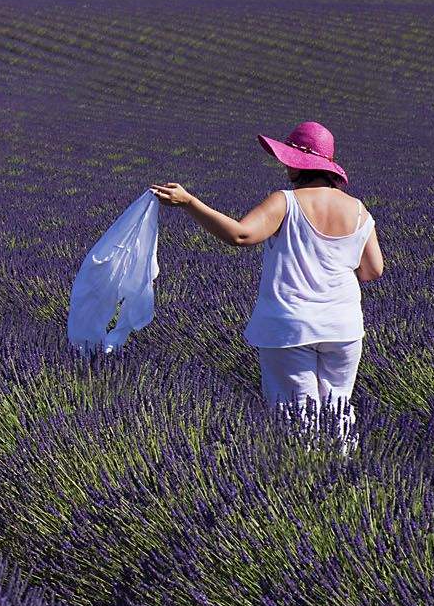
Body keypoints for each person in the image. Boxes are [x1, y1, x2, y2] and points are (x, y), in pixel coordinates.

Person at [150, 121, 384, 443]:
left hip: (291, 327)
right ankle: (343, 476)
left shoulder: (286, 201)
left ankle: (305, 482)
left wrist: (190, 202)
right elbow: (373, 270)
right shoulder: (358, 210)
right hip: (344, 329)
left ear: (297, 162)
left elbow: (241, 234)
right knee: (338, 411)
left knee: (295, 418)